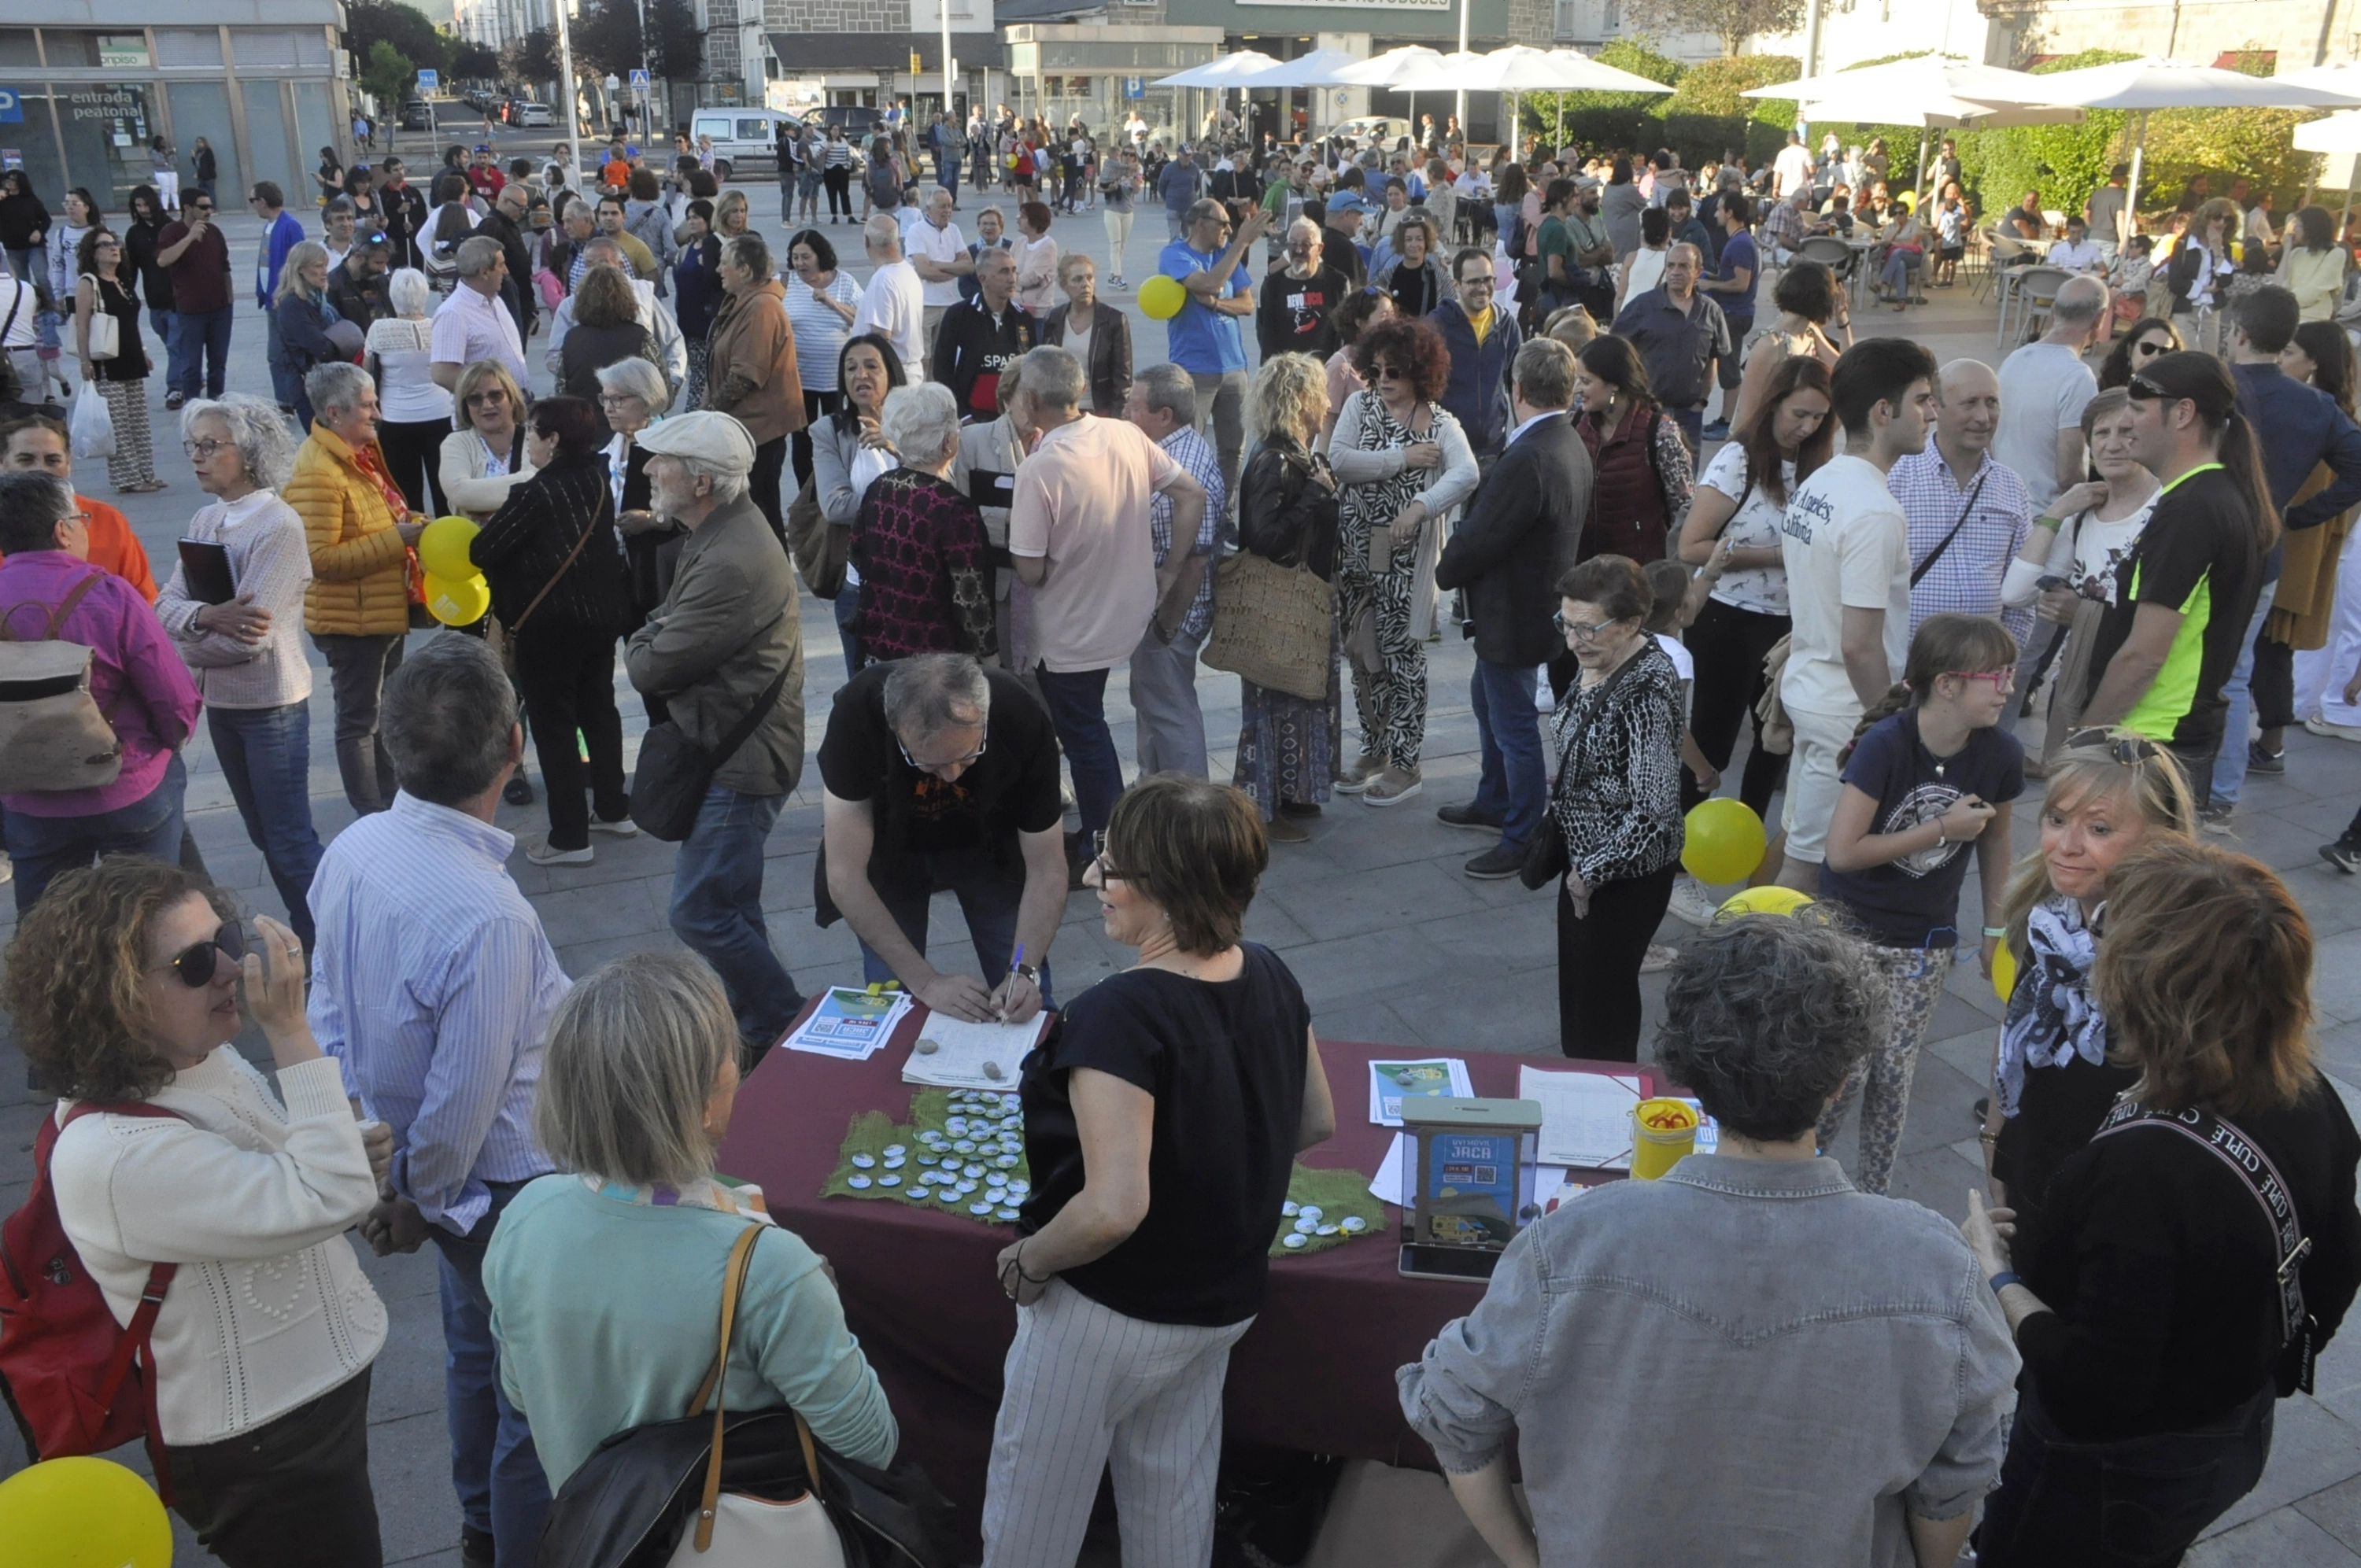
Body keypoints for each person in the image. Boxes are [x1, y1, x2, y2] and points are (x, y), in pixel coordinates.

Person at [1400, 910, 2016, 1568]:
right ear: (1843, 1081)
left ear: (1690, 1073)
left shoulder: (1571, 1242)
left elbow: (1452, 1413)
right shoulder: (1934, 1265)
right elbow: (1956, 1482)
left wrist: (1530, 1560)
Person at [1968, 840, 2361, 1563]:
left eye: (2110, 932)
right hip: (2228, 1435)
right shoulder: (2311, 1096)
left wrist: (1997, 1273)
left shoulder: (2140, 1174)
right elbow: (2336, 1270)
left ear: (2148, 984)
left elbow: (2095, 1389)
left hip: (2109, 1469)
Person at [982, 775, 1336, 1567]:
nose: (1091, 880)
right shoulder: (1272, 972)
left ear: (1166, 890)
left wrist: (1029, 1260)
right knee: (1171, 1508)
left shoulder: (1119, 1013)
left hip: (1110, 1311)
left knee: (1031, 1522)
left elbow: (1112, 1207)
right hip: (1219, 1304)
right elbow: (1314, 1119)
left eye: (1109, 867)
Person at [8, 859, 389, 1565]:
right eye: (191, 962)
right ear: (117, 997)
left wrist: (345, 1144)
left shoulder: (192, 1058)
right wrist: (293, 1032)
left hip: (305, 1396)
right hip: (265, 1442)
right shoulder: (115, 1155)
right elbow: (324, 1195)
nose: (230, 966)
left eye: (225, 937)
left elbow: (282, 1175)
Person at [309, 633, 567, 1568]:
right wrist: (418, 1198)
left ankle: (478, 1526)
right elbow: (466, 1102)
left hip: (434, 1183)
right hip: (502, 1191)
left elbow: (325, 1007)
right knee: (531, 1402)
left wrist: (379, 1167)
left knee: (472, 1353)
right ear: (514, 749)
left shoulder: (357, 844)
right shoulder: (490, 916)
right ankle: (509, 1543)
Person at [483, 948, 896, 1493]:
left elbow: (521, 1388)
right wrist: (819, 1304)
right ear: (702, 1102)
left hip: (596, 1533)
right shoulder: (770, 1269)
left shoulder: (526, 1215)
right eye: (730, 1053)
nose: (740, 1061)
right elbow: (871, 1444)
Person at [1814, 614, 2024, 1196]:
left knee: (1892, 1073)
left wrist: (1994, 927)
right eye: (1997, 675)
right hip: (1849, 931)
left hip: (1923, 942)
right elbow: (1843, 853)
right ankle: (1806, 1175)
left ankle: (1873, 1196)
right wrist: (1940, 828)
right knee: (1841, 1071)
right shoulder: (1885, 744)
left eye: (2010, 673)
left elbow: (1997, 839)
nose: (2009, 687)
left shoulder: (2000, 753)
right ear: (1949, 684)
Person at [624, 413, 808, 1055]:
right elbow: (666, 628)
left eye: (662, 461)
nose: (647, 470)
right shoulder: (719, 529)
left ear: (700, 481)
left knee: (697, 911)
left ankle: (783, 1020)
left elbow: (649, 662)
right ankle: (762, 1026)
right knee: (731, 904)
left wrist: (650, 633)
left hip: (742, 764)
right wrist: (661, 625)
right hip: (738, 748)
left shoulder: (728, 557)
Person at [1983, 732, 2196, 1264]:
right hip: (2037, 1153)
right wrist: (1996, 1140)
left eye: (2099, 828)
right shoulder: (2049, 915)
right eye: (2057, 819)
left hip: (2120, 1193)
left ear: (2161, 838)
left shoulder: (2181, 954)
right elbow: (2017, 1028)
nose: (2066, 845)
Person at [1008, 344, 1206, 864]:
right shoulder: (1124, 434)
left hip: (1070, 633)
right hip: (1129, 614)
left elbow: (1029, 569)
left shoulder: (1040, 466)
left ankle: (1110, 844)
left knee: (1085, 737)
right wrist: (1167, 570)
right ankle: (1111, 831)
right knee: (1092, 727)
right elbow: (1192, 496)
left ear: (1030, 399)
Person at [158, 395, 327, 946]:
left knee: (288, 839)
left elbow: (252, 641)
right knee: (262, 833)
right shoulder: (206, 518)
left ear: (249, 452)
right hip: (223, 707)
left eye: (211, 445)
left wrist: (189, 642)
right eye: (193, 445)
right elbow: (163, 606)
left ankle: (328, 942)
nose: (197, 457)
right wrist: (207, 616)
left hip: (271, 706)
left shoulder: (278, 526)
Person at [1774, 338, 1938, 894]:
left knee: (1801, 844)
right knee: (1813, 867)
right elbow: (1860, 645)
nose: (1932, 414)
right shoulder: (1875, 511)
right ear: (1883, 411)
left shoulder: (1822, 480)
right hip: (1845, 710)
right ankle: (1769, 975)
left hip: (1811, 691)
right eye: (1922, 400)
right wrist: (1891, 724)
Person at [818, 651, 1066, 1014]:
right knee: (892, 995)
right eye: (929, 764)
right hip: (890, 848)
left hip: (989, 844)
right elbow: (844, 877)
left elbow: (1047, 868)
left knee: (1020, 989)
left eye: (968, 758)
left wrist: (1023, 971)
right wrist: (926, 981)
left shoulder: (1018, 713)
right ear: (897, 729)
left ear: (984, 718)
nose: (951, 776)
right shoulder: (857, 714)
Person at [2079, 352, 2272, 808]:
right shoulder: (2214, 494)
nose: (2126, 423)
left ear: (2183, 413)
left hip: (2151, 739)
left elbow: (2144, 654)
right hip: (2171, 737)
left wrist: (2086, 741)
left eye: (2139, 408)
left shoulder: (2191, 508)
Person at [1431, 339, 1592, 880]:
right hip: (1536, 605)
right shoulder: (1567, 439)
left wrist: (1445, 568)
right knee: (1486, 701)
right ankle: (1494, 799)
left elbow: (1483, 537)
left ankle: (1523, 834)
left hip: (1516, 611)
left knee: (1515, 724)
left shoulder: (1530, 456)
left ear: (1516, 390)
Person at [0, 472, 198, 909]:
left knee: (46, 931)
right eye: (81, 518)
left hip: (29, 798)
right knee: (147, 921)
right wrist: (167, 744)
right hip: (124, 784)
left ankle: (57, 977)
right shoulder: (109, 594)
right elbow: (176, 701)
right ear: (62, 530)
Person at [2211, 286, 2361, 821]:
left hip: (2198, 544)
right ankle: (2221, 793)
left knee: (2171, 660)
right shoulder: (2315, 405)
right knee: (2232, 674)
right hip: (2263, 551)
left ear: (2241, 333)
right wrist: (2299, 515)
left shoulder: (2215, 386)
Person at [467, 396, 637, 865]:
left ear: (554, 440)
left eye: (536, 433)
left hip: (551, 628)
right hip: (601, 617)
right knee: (600, 711)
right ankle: (613, 807)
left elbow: (482, 550)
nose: (531, 444)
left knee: (555, 726)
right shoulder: (596, 476)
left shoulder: (536, 493)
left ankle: (569, 837)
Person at [1328, 315, 1480, 810]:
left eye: (1395, 370)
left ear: (1419, 371)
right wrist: (1400, 459)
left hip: (1406, 563)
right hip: (1355, 553)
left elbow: (1467, 474)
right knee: (1361, 653)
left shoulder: (1441, 422)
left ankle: (1405, 760)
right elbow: (1339, 460)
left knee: (1403, 661)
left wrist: (1420, 507)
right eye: (1376, 370)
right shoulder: (1359, 404)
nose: (1384, 379)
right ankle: (1373, 748)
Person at [1676, 355, 1829, 836]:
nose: (1806, 427)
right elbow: (1692, 546)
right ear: (1774, 406)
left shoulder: (1820, 467)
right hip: (1727, 619)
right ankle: (1683, 851)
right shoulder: (1737, 459)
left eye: (1819, 417)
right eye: (1798, 414)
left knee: (1775, 739)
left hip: (1788, 625)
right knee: (1713, 739)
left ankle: (1752, 842)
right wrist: (1779, 555)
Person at [1542, 555, 1686, 1059]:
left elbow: (1655, 811)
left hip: (1618, 877)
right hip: (1588, 860)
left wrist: (1589, 874)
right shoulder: (1601, 659)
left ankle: (1605, 1108)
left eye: (1587, 628)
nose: (1574, 639)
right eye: (1566, 623)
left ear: (1631, 624)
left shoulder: (1645, 690)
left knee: (1600, 1014)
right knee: (1583, 1002)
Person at [288, 360, 426, 817]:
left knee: (382, 715)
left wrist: (406, 525)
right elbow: (318, 560)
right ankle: (372, 813)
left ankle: (392, 803)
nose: (378, 414)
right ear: (334, 412)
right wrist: (396, 540)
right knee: (359, 721)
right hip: (352, 621)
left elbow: (370, 520)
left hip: (377, 611)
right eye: (367, 406)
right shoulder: (319, 472)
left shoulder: (354, 454)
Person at [2001, 390, 2164, 762]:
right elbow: (2015, 593)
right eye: (2101, 434)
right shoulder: (2083, 516)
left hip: (2146, 693)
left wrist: (2087, 612)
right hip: (2083, 679)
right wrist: (2059, 510)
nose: (2113, 445)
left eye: (2126, 432)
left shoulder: (2165, 510)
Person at [1230, 354, 1342, 838]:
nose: (1329, 404)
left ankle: (1294, 794)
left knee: (1300, 699)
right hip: (1282, 604)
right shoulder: (1274, 460)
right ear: (1301, 401)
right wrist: (1314, 497)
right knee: (1278, 703)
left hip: (1305, 602)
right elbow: (1265, 538)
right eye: (1321, 394)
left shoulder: (1295, 453)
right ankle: (1264, 808)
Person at [844, 382, 996, 663]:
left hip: (880, 652)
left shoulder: (879, 489)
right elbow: (970, 599)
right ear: (949, 442)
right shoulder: (954, 508)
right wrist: (991, 658)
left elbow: (855, 554)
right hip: (934, 665)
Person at [1888, 359, 2036, 644]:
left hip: (1981, 672)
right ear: (1935, 407)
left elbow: (2021, 596)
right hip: (1904, 668)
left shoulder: (2011, 486)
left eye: (1992, 403)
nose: (1983, 417)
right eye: (1970, 403)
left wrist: (2003, 662)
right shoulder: (1896, 478)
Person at [699, 231, 804, 547]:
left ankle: (772, 580)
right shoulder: (746, 302)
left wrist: (707, 417)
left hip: (758, 432)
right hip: (748, 430)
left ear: (745, 270)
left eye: (724, 263)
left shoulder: (761, 308)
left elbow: (744, 377)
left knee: (759, 512)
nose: (718, 269)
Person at [1158, 199, 1265, 507]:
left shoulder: (1224, 254)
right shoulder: (1175, 254)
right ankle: (1189, 511)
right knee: (1189, 445)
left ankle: (1223, 511)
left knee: (1233, 447)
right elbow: (1210, 281)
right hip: (1194, 367)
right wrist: (1242, 242)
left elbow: (1247, 304)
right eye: (1223, 224)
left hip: (1234, 366)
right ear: (1200, 223)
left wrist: (1217, 304)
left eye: (1231, 227)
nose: (1229, 230)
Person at [1570, 335, 1693, 573]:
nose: (1577, 389)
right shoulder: (1575, 423)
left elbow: (1684, 510)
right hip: (1583, 572)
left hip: (1639, 575)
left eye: (1585, 381)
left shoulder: (1661, 434)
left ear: (1614, 384)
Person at [0, 414, 157, 597]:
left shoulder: (106, 520)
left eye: (52, 460)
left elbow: (144, 599)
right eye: (26, 460)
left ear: (68, 463)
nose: (40, 469)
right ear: (3, 463)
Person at [1993, 275, 2105, 526]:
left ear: (2053, 311)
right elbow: (2068, 476)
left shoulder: (2015, 359)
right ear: (2100, 318)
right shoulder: (2078, 377)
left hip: (2001, 505)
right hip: (2045, 518)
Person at [1609, 243, 1730, 456]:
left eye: (1684, 266)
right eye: (1671, 266)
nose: (1675, 272)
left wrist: (1701, 401)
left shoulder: (1710, 311)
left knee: (1686, 479)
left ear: (1697, 272)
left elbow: (1713, 359)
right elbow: (1617, 349)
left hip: (1689, 415)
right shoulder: (1643, 306)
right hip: (1649, 412)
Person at [71, 227, 164, 494]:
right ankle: (128, 478)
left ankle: (146, 473)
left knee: (139, 421)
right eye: (106, 245)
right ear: (93, 253)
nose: (114, 248)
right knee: (119, 423)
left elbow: (130, 323)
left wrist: (144, 351)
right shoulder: (89, 282)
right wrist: (84, 361)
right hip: (106, 361)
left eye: (116, 244)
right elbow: (81, 325)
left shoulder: (121, 280)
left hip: (131, 355)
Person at [1726, 258, 1842, 456]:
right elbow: (1745, 415)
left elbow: (1847, 370)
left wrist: (1844, 322)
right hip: (1766, 451)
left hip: (1799, 446)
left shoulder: (1810, 333)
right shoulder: (1770, 346)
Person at [363, 267, 452, 518]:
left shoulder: (379, 329)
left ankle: (415, 543)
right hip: (441, 414)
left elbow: (367, 372)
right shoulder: (439, 326)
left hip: (396, 419)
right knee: (443, 487)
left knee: (406, 491)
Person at [784, 226, 863, 482]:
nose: (800, 263)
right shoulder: (784, 282)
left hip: (835, 381)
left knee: (839, 438)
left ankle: (837, 490)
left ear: (820, 255)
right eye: (795, 257)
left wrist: (831, 302)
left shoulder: (845, 281)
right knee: (802, 442)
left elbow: (862, 319)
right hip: (800, 380)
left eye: (805, 257)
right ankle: (806, 501)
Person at [1428, 247, 1521, 462]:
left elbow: (1518, 386)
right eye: (1474, 282)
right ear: (1457, 285)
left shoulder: (1507, 325)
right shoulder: (1436, 326)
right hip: (1447, 450)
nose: (1482, 288)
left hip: (1493, 450)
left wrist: (1520, 438)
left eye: (1488, 280)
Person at [933, 247, 1038, 422]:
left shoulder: (1023, 318)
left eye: (1014, 271)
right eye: (1004, 272)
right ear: (983, 279)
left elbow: (1033, 370)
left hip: (1014, 419)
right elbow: (942, 371)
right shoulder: (958, 315)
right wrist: (963, 416)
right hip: (971, 420)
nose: (1012, 278)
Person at [154, 187, 233, 407]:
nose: (209, 211)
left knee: (218, 364)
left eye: (210, 206)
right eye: (203, 207)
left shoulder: (215, 232)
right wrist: (189, 237)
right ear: (187, 208)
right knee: (191, 365)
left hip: (220, 309)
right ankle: (193, 409)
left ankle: (217, 406)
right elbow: (163, 260)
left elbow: (225, 267)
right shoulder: (171, 231)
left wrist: (229, 300)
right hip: (190, 311)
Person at [438, 360, 537, 530]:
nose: (487, 405)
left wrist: (483, 502)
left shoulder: (536, 438)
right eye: (475, 399)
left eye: (495, 395)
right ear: (465, 405)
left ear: (511, 397)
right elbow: (460, 493)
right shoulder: (456, 444)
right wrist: (528, 480)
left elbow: (548, 490)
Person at [430, 236, 529, 391]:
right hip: (489, 410)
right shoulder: (453, 313)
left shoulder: (495, 300)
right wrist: (488, 395)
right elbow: (442, 374)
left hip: (515, 405)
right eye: (501, 265)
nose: (506, 271)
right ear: (484, 272)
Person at [1040, 252, 1129, 416]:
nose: (1085, 284)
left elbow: (1123, 379)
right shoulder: (1054, 318)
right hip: (1062, 409)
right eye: (1077, 279)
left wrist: (1118, 419)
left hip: (1100, 409)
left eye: (1090, 277)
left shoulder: (1114, 320)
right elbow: (1045, 368)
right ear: (1064, 285)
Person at [1257, 220, 1348, 360]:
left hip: (1325, 372)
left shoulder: (1337, 283)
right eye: (1293, 244)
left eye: (1306, 244)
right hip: (1285, 371)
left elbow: (1345, 332)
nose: (1298, 250)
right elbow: (1264, 334)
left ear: (1319, 249)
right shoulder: (1273, 285)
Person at [1370, 215, 1449, 321]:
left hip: (1430, 335)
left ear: (1426, 242)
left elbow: (1452, 311)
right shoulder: (1387, 276)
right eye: (1408, 239)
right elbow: (1372, 309)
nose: (1414, 244)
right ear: (1401, 243)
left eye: (1419, 239)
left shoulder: (1439, 276)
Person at [2278, 205, 2348, 321]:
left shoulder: (2335, 254)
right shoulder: (2296, 253)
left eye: (2298, 225)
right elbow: (2278, 286)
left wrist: (2281, 300)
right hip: (2286, 314)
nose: (2294, 229)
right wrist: (2286, 252)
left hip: (2312, 319)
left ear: (2310, 227)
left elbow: (2312, 293)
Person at [1099, 146, 1139, 287]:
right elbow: (1099, 187)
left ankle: (1112, 275)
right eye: (1125, 154)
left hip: (1128, 212)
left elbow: (1137, 190)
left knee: (1122, 245)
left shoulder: (1135, 171)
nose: (1127, 156)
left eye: (1131, 154)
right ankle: (1118, 276)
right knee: (1115, 244)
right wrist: (1110, 188)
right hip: (1112, 210)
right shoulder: (1113, 168)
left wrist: (1131, 177)